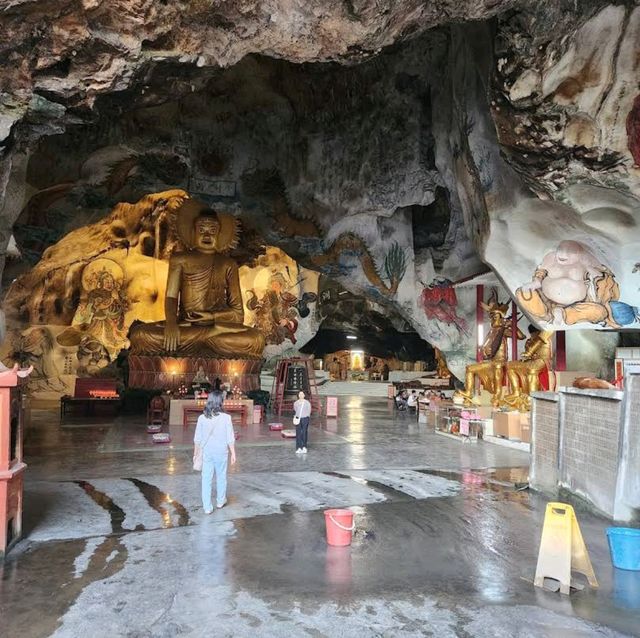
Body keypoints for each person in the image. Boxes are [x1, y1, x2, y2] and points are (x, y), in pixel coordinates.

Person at [193, 391, 236, 514]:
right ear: (221, 402)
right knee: (221, 476)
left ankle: (207, 507)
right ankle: (220, 501)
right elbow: (230, 438)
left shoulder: (202, 418)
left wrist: (195, 454)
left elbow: (197, 439)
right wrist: (233, 453)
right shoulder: (226, 418)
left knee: (206, 479)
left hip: (207, 452)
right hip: (221, 452)